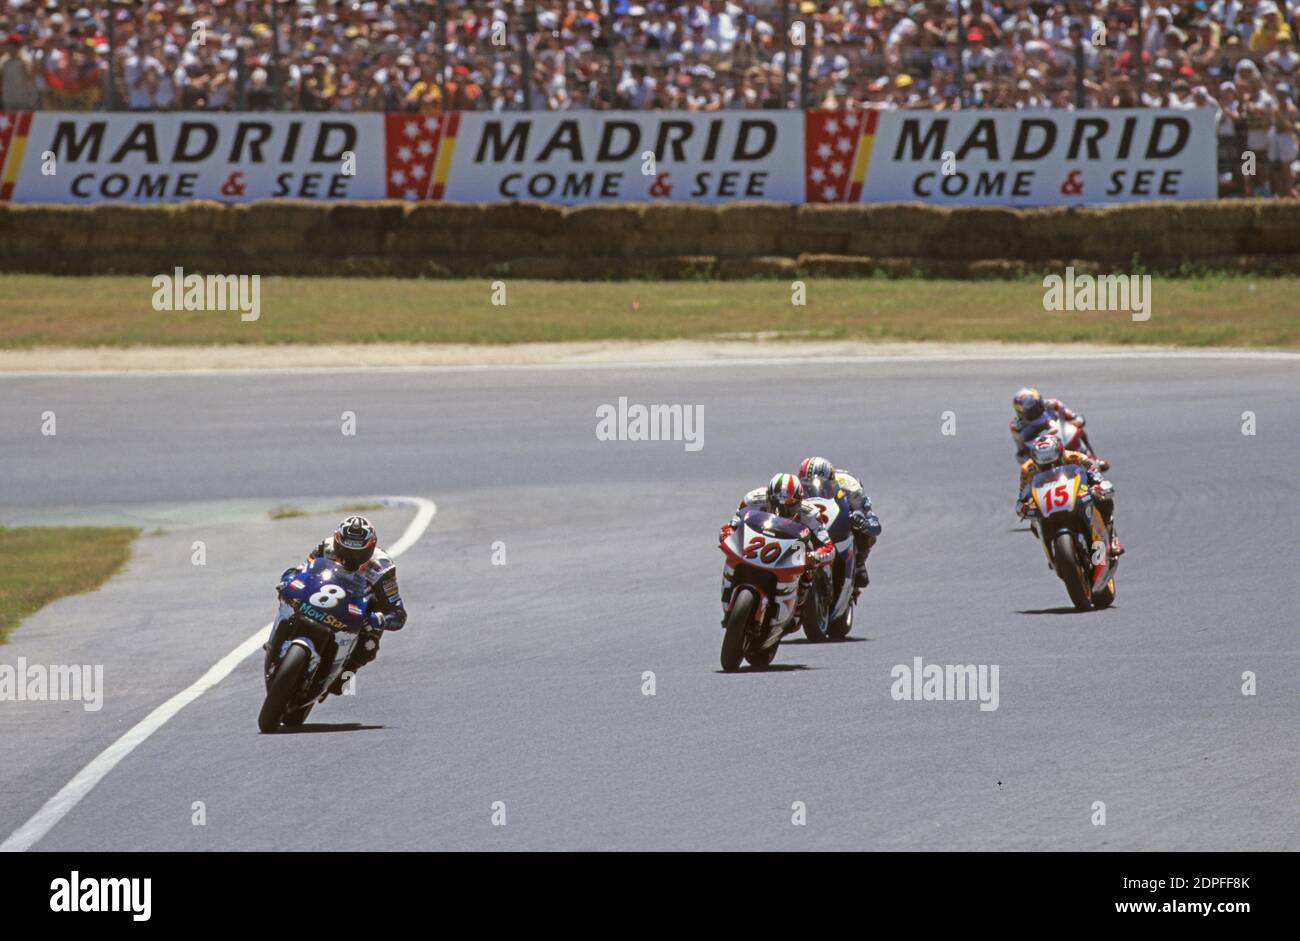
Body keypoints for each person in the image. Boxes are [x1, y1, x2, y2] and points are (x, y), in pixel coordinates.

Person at [270, 516, 407, 691]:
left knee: (368, 646)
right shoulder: (325, 547)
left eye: (358, 553)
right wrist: (289, 578)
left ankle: (344, 674)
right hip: (320, 596)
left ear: (370, 547)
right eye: (345, 550)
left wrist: (377, 620)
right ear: (337, 542)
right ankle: (275, 644)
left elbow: (398, 614)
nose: (351, 558)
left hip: (357, 611)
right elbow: (300, 570)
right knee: (287, 600)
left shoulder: (382, 567)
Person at [719, 473, 835, 613]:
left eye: (789, 508)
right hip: (759, 545)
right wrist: (727, 533)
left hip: (791, 549)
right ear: (768, 498)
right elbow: (733, 524)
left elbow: (828, 547)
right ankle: (730, 588)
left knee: (810, 554)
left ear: (799, 502)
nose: (780, 513)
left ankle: (799, 605)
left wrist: (814, 556)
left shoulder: (810, 514)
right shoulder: (752, 500)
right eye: (775, 506)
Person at [1016, 435, 1123, 558]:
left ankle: (1111, 536)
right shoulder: (1027, 469)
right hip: (1047, 502)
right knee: (1034, 524)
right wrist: (1023, 506)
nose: (1050, 468)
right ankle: (1054, 555)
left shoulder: (1076, 457)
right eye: (1044, 467)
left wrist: (1099, 486)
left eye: (1054, 463)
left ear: (1061, 454)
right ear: (1035, 460)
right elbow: (1023, 494)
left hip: (1075, 493)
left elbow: (1095, 474)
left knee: (1102, 499)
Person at [796, 456, 882, 588]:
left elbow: (872, 521)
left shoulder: (849, 485)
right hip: (812, 521)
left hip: (839, 518)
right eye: (805, 485)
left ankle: (859, 564)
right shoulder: (795, 488)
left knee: (865, 532)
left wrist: (863, 520)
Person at [1009, 387, 1106, 467]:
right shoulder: (1016, 426)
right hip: (1040, 448)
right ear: (1020, 413)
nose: (1035, 412)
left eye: (1036, 407)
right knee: (1026, 466)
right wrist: (1025, 455)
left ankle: (1094, 459)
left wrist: (1076, 421)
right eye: (1030, 412)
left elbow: (1075, 417)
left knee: (1079, 431)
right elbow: (1021, 449)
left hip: (1060, 435)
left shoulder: (1053, 404)